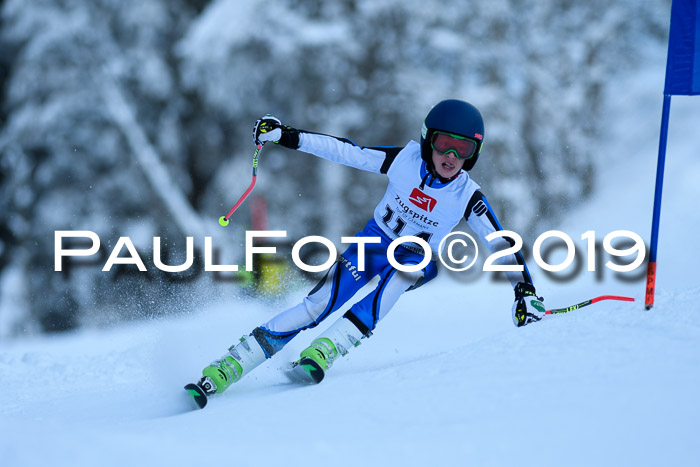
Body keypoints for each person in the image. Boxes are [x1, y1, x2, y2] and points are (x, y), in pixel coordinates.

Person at [195, 99, 545, 396]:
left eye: (464, 149)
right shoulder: (404, 160)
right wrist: (288, 136)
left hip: (415, 256)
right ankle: (232, 363)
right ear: (428, 141)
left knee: (401, 275)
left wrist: (523, 290)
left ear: (473, 154)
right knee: (318, 304)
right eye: (444, 144)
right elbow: (347, 152)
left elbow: (499, 241)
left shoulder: (467, 195)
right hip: (374, 242)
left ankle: (327, 349)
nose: (451, 156)